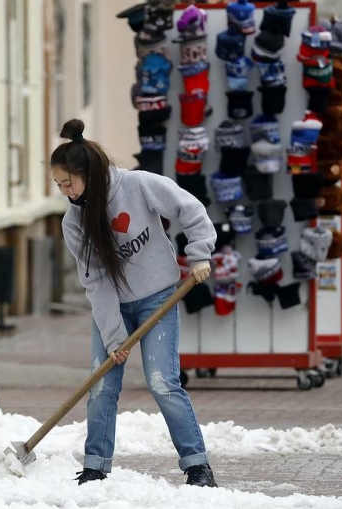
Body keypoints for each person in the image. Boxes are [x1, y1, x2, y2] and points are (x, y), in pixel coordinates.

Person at [51, 119, 218, 487]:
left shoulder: (138, 185)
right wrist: (113, 336)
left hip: (159, 296)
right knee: (102, 384)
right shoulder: (73, 221)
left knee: (162, 380)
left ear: (88, 174)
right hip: (111, 307)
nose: (64, 191)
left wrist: (199, 255)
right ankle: (95, 466)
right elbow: (95, 280)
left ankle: (197, 465)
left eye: (68, 182)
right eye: (58, 184)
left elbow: (190, 208)